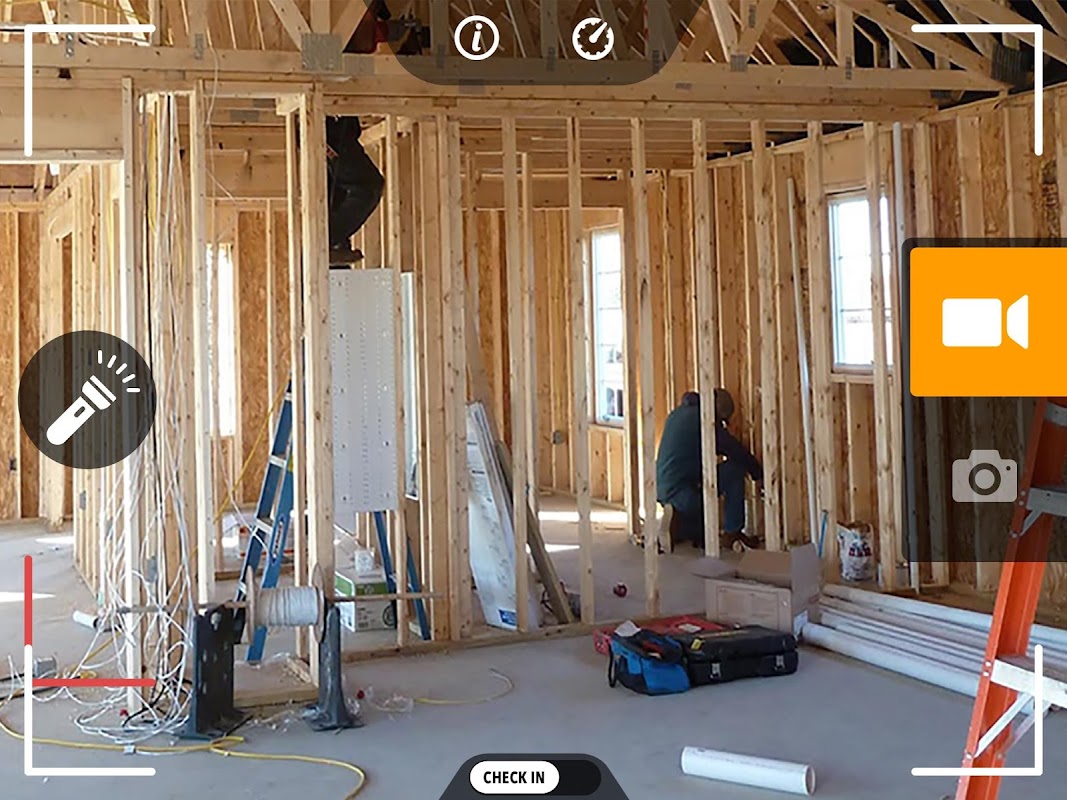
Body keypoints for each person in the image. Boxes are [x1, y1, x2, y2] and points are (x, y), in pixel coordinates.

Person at [654, 389, 763, 550]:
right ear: (717, 411)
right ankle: (732, 533)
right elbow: (734, 450)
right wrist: (758, 474)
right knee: (734, 471)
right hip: (683, 492)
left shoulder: (678, 413)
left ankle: (676, 522)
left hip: (663, 489)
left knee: (701, 525)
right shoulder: (705, 421)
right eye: (722, 421)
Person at [326, 115, 385, 266]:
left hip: (328, 131)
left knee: (363, 187)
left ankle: (329, 242)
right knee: (363, 187)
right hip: (330, 132)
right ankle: (330, 243)